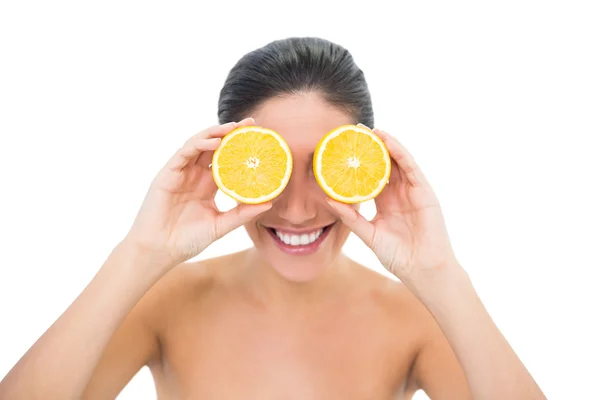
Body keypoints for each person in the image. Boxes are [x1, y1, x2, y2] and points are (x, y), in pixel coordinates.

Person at [0, 37, 545, 399]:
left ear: (368, 166)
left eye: (325, 168)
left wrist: (442, 276)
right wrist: (140, 253)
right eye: (272, 167)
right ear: (228, 166)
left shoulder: (416, 317)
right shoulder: (165, 301)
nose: (299, 208)